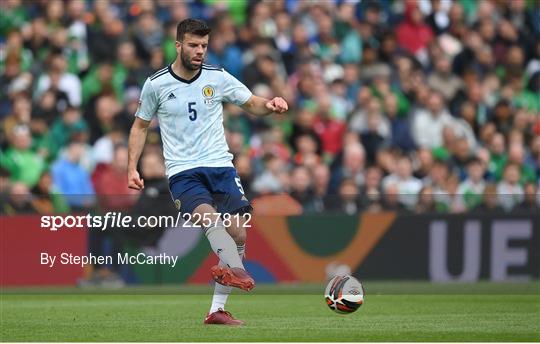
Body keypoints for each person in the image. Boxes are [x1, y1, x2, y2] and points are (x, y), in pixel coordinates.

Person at [127, 19, 288, 325]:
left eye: (203, 45)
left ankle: (216, 310)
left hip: (220, 167)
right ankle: (235, 268)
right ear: (178, 46)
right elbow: (140, 126)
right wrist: (131, 168)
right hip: (183, 172)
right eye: (193, 45)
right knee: (210, 220)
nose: (199, 51)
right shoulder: (157, 84)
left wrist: (271, 104)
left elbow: (251, 102)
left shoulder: (218, 77)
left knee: (238, 231)